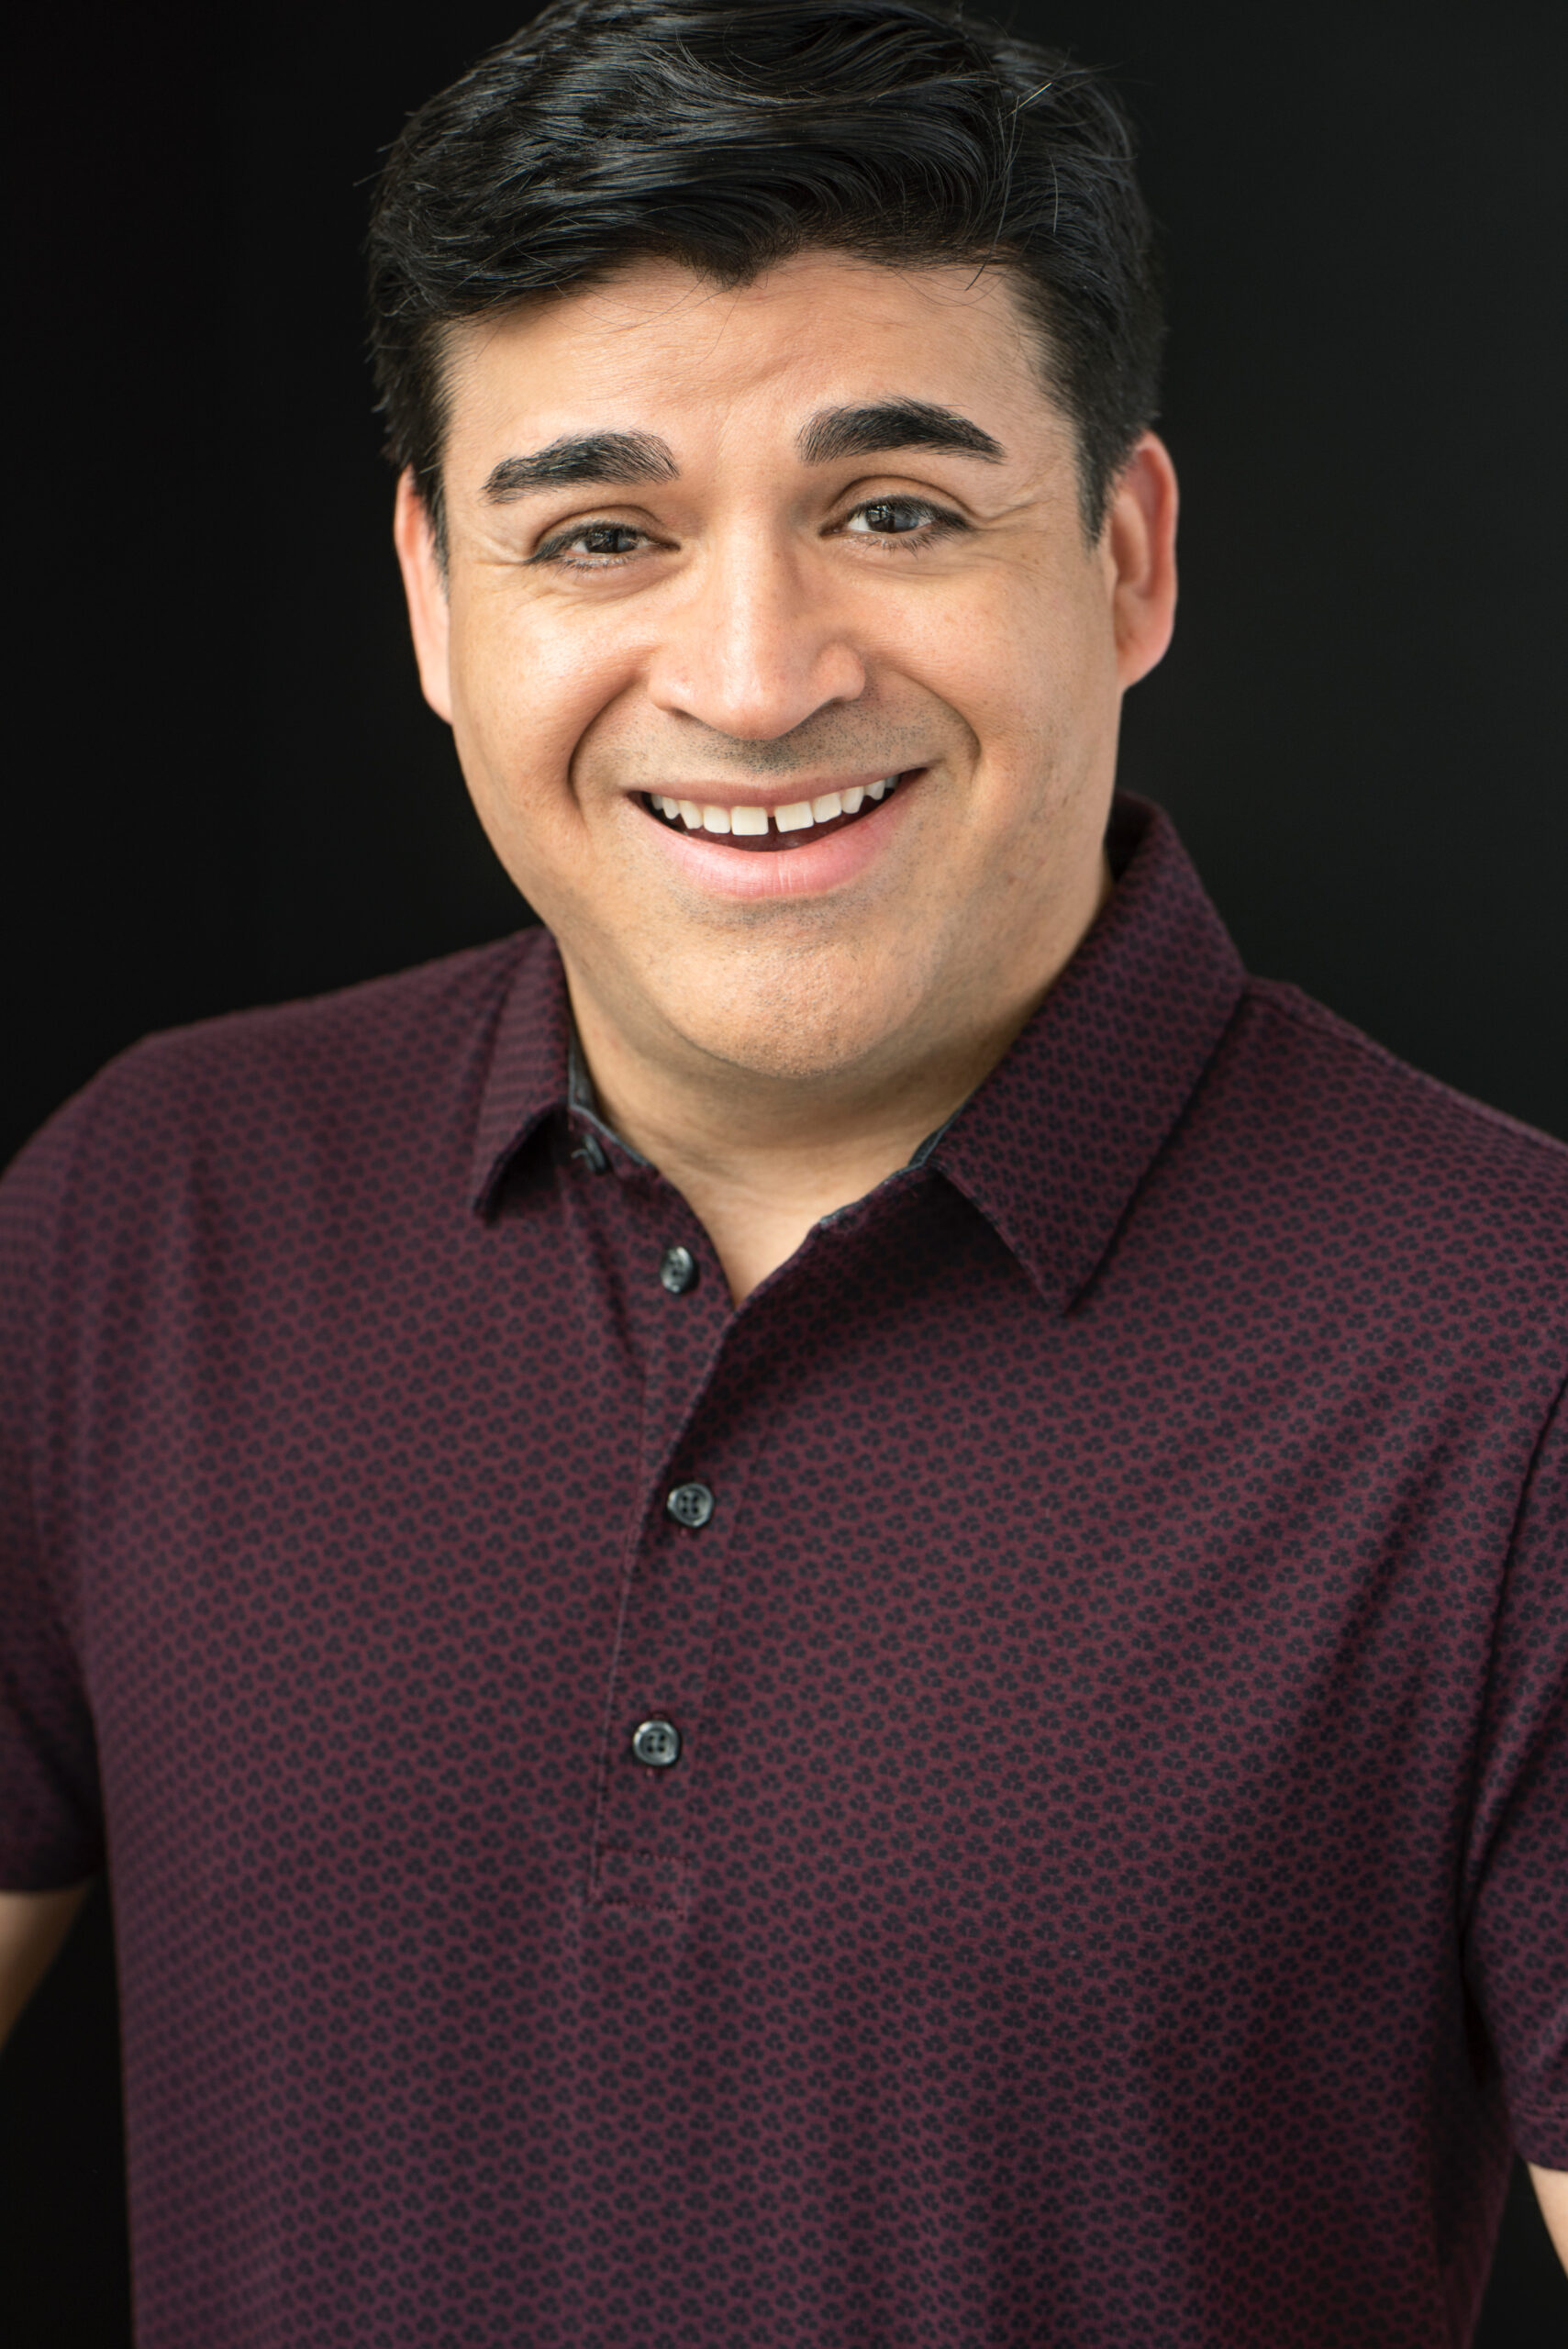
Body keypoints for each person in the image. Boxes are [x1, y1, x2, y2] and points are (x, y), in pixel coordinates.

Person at [1, 0, 1563, 2339]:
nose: (750, 676)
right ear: (436, 602)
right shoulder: (150, 1212)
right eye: (601, 533)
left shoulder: (1520, 1353)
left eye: (896, 510)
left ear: (1128, 558)